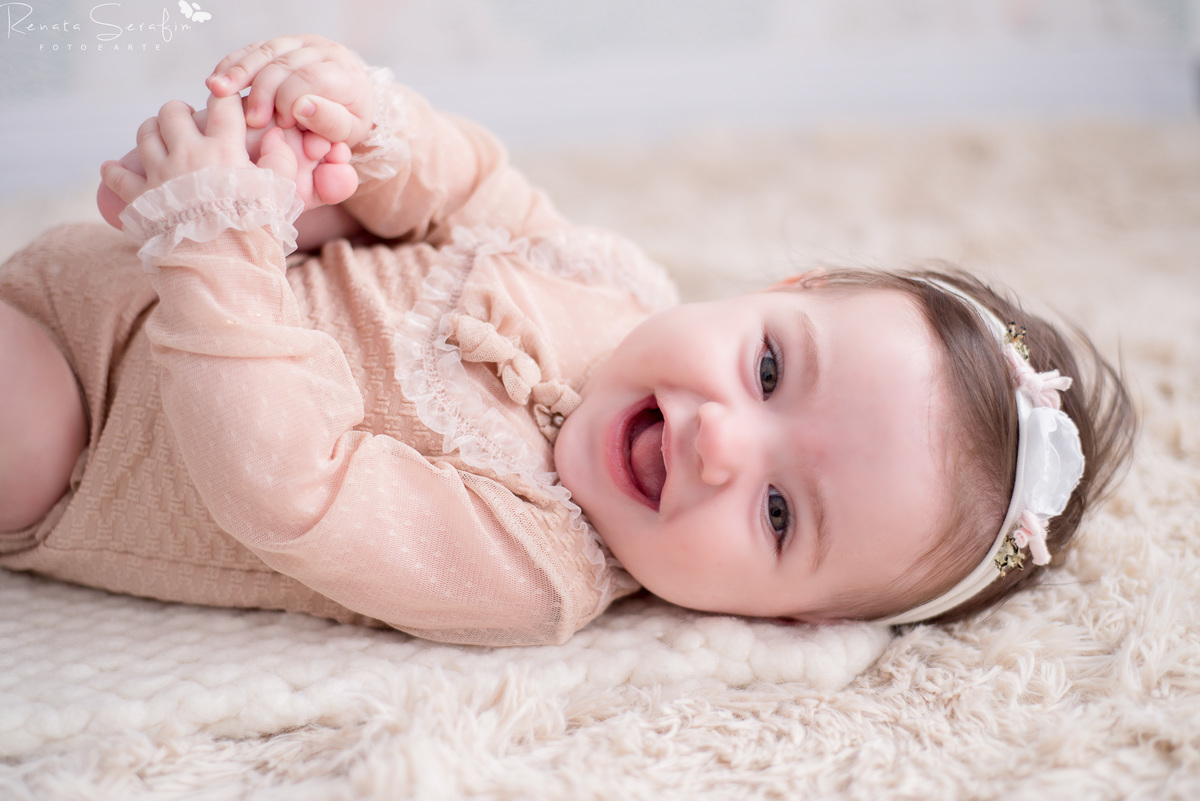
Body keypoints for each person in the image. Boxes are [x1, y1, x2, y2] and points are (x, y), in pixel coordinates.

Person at [0, 35, 1135, 646]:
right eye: (771, 369)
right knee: (346, 197)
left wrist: (216, 245)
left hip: (94, 438)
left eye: (780, 514)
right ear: (784, 287)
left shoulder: (532, 573)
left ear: (796, 618)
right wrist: (362, 127)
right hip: (136, 263)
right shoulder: (619, 281)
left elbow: (289, 487)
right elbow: (475, 193)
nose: (724, 445)